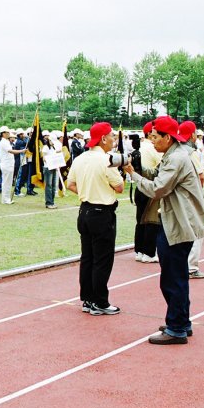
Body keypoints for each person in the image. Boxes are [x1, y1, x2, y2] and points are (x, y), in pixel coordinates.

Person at [124, 116, 204, 344]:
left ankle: (176, 328)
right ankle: (181, 322)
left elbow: (158, 189)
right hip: (176, 221)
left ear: (167, 137)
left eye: (154, 136)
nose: (151, 141)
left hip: (177, 223)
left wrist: (134, 175)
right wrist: (137, 169)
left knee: (172, 278)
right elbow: (158, 176)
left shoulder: (176, 158)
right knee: (177, 276)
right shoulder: (174, 154)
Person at [65, 122, 124, 316]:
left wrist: (87, 191)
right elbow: (119, 187)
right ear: (104, 139)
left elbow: (70, 184)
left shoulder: (80, 158)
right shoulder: (106, 160)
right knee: (102, 259)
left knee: (87, 257)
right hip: (102, 212)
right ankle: (100, 301)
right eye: (112, 136)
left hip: (85, 211)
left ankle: (88, 299)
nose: (114, 139)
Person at [178, 121, 204, 279]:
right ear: (192, 135)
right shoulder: (191, 153)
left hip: (179, 196)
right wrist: (198, 193)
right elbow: (201, 176)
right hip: (191, 197)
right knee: (197, 231)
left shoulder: (176, 150)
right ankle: (191, 267)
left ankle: (183, 264)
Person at [134, 121, 162, 263]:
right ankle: (149, 252)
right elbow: (161, 165)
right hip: (150, 186)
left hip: (139, 187)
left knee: (140, 220)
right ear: (150, 134)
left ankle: (139, 251)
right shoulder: (152, 148)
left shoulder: (139, 147)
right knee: (151, 220)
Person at [0, 127, 20, 205]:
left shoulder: (6, 141)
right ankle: (5, 199)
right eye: (7, 133)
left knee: (8, 182)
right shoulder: (3, 142)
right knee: (6, 182)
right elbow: (10, 151)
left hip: (9, 164)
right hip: (6, 165)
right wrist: (21, 151)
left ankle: (7, 198)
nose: (8, 134)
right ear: (3, 133)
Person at [41, 132, 59, 209]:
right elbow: (44, 158)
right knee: (49, 186)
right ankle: (49, 203)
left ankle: (52, 201)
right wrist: (50, 161)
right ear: (49, 140)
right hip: (48, 168)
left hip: (54, 167)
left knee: (53, 186)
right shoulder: (46, 147)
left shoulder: (53, 148)